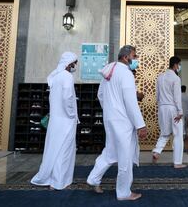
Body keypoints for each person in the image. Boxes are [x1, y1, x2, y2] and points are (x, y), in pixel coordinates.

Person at [87, 45, 147, 201]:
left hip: (111, 119)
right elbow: (130, 102)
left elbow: (101, 95)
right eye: (134, 56)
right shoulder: (126, 73)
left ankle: (93, 179)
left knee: (110, 152)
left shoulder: (110, 71)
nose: (136, 60)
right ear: (126, 57)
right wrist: (140, 124)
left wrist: (110, 109)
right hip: (123, 121)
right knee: (125, 157)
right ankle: (123, 192)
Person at [31, 52, 79, 190]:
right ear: (69, 63)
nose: (75, 66)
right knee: (65, 150)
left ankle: (53, 178)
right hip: (65, 120)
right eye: (75, 63)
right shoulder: (67, 76)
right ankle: (59, 182)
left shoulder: (56, 76)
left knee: (55, 149)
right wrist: (71, 115)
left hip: (56, 119)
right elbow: (67, 98)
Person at [152, 56, 186, 169]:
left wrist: (161, 105)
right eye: (179, 65)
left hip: (162, 107)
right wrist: (180, 111)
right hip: (173, 108)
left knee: (165, 132)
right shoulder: (176, 78)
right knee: (178, 135)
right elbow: (177, 97)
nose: (179, 67)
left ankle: (157, 151)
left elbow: (157, 95)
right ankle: (177, 162)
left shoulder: (160, 77)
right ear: (176, 65)